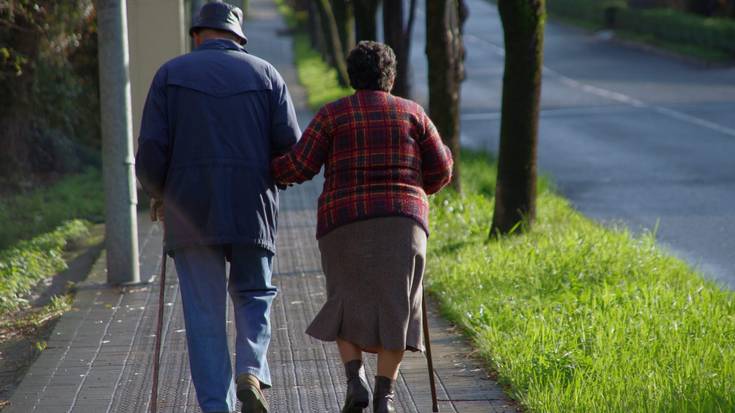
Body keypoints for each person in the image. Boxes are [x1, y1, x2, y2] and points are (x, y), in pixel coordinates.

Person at [271, 41, 453, 413]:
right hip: (404, 224)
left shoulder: (332, 115)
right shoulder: (413, 113)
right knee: (399, 309)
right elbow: (442, 168)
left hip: (344, 224)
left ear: (351, 75)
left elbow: (300, 166)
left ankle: (356, 380)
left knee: (344, 301)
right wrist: (419, 189)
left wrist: (267, 169)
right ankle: (385, 397)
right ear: (392, 76)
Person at [135, 2, 300, 412]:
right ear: (239, 38)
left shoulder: (170, 75)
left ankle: (216, 406)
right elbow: (292, 149)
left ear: (196, 35)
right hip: (252, 207)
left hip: (191, 212)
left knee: (204, 315)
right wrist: (276, 179)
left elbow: (151, 152)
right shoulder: (267, 75)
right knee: (255, 293)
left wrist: (160, 193)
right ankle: (251, 368)